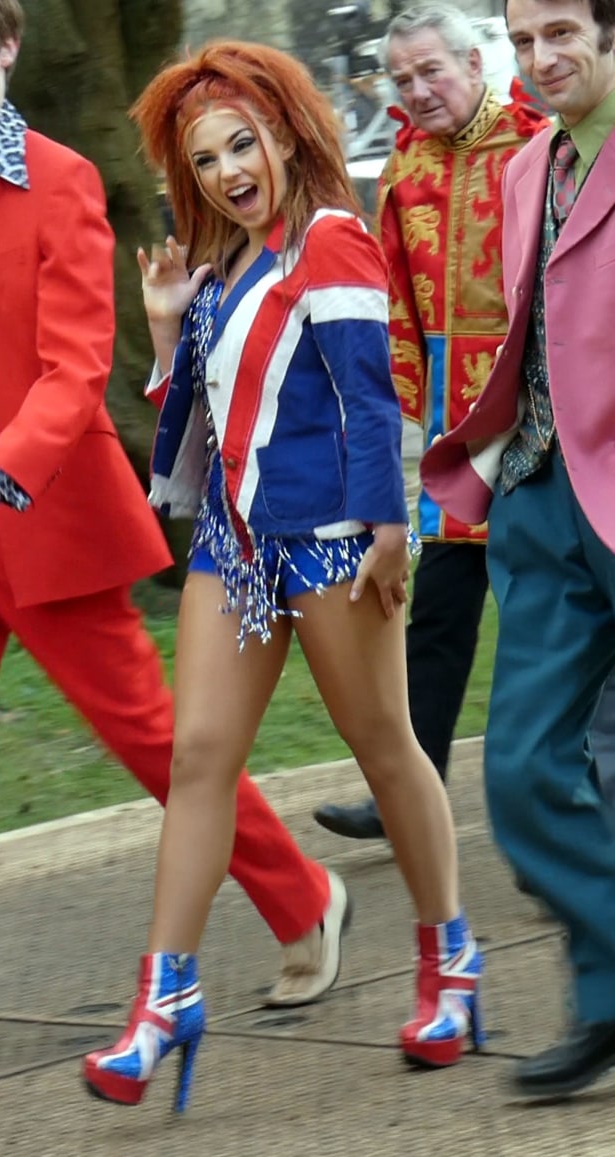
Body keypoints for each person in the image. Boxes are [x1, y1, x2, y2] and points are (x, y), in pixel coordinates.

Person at [0, 0, 353, 1083]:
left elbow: (77, 366)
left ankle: (305, 897)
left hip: (40, 522)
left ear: (7, 49)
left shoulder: (61, 179)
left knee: (159, 747)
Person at [83, 38, 483, 1114]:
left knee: (385, 745)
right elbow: (207, 418)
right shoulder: (221, 267)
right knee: (198, 754)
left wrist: (388, 529)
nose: (224, 171)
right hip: (233, 545)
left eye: (237, 143)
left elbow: (368, 400)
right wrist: (169, 329)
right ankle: (163, 997)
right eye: (204, 159)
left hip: (330, 543)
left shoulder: (334, 243)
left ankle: (451, 962)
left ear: (282, 133)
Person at [422, 0, 615, 1099]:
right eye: (523, 39)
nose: (540, 60)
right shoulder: (522, 169)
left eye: (560, 32)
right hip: (541, 495)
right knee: (522, 768)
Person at [314, 3, 546, 842]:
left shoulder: (537, 142)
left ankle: (559, 803)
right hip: (455, 432)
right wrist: (406, 407)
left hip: (538, 422)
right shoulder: (402, 166)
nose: (415, 91)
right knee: (439, 620)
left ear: (474, 65)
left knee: (547, 620)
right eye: (401, 78)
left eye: (430, 72)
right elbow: (395, 300)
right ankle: (407, 790)